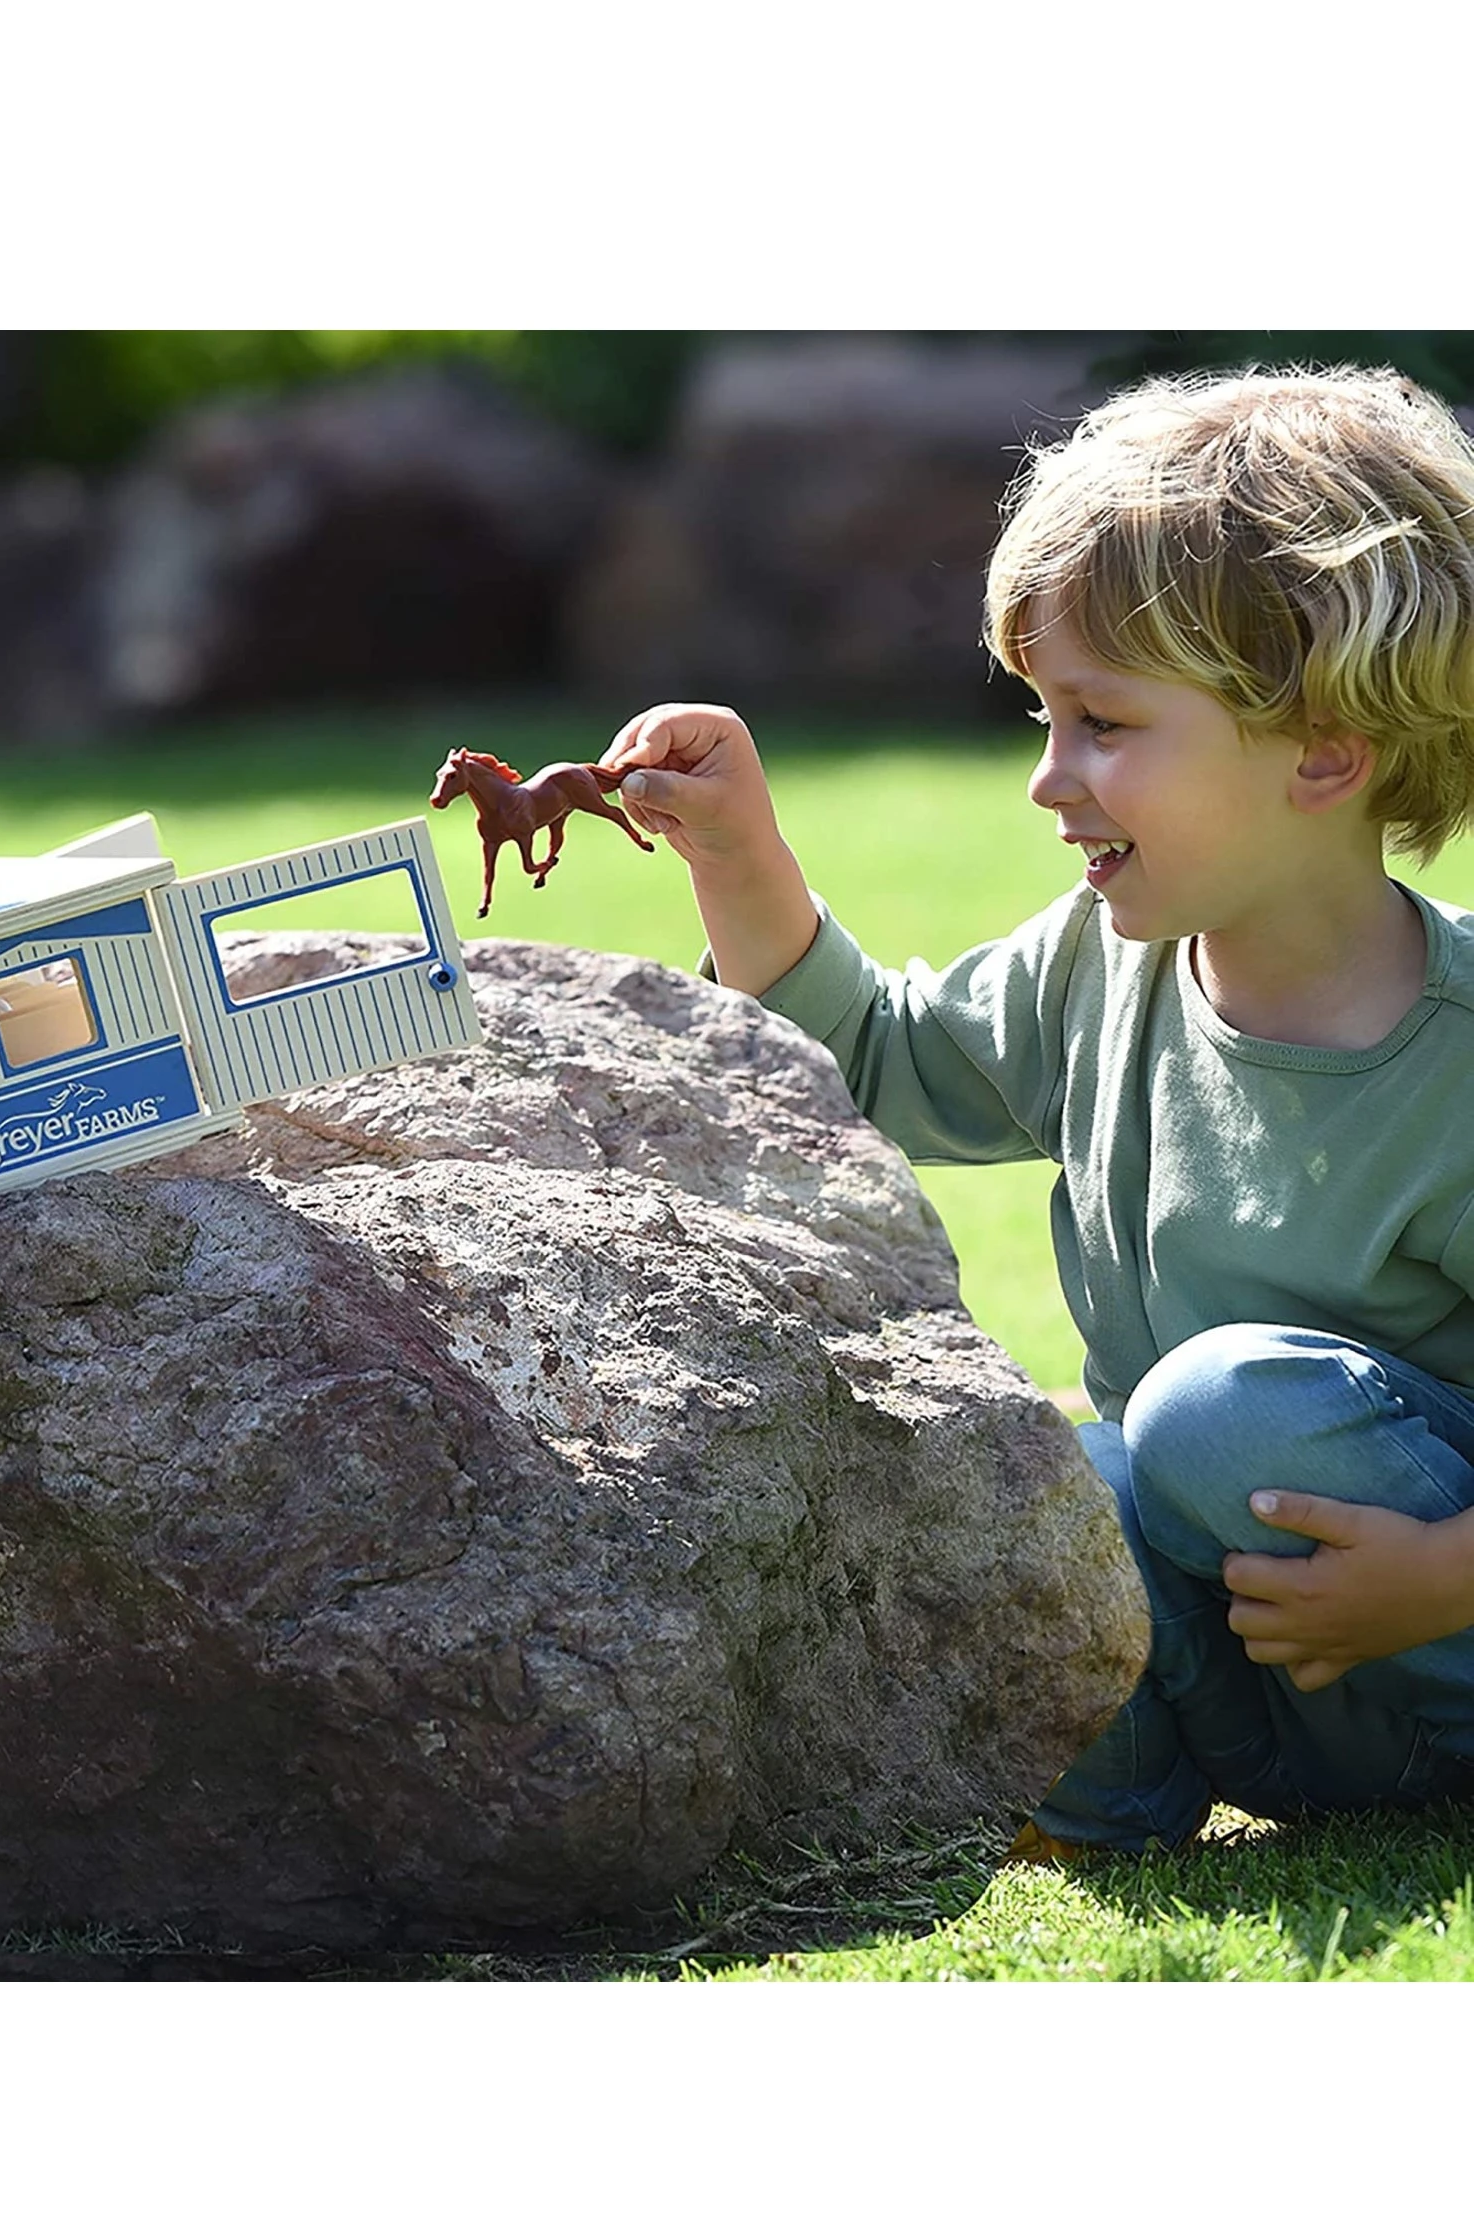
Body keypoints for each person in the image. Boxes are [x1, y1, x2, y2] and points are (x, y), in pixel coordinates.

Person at [595, 365, 1474, 1858]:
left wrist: (1445, 1581)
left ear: (1326, 751)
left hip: (1430, 1638)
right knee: (1037, 1469)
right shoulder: (1095, 967)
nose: (1046, 779)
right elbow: (864, 1064)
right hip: (1260, 1675)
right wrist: (739, 851)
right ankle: (1104, 1811)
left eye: (1105, 723)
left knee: (1216, 1404)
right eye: (1042, 715)